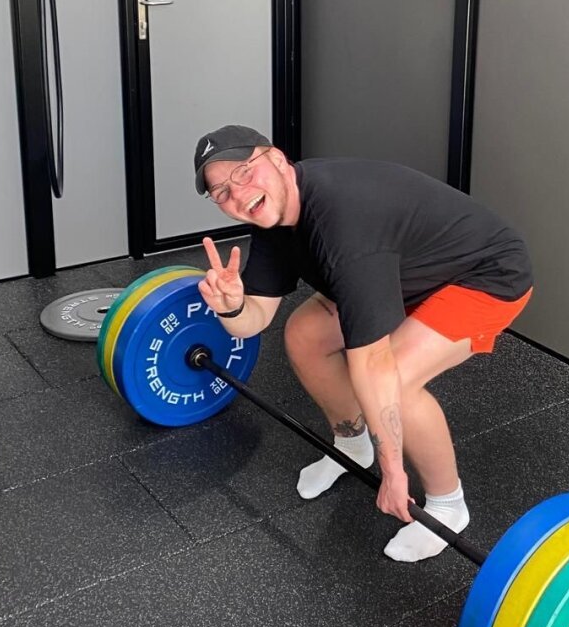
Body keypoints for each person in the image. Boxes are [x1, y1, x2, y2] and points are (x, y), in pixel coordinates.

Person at [193, 125, 533, 563]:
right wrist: (232, 307)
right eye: (221, 191)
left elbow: (373, 363)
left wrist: (395, 475)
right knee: (303, 334)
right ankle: (352, 444)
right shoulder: (272, 216)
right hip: (403, 272)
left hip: (482, 275)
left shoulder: (343, 217)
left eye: (242, 173)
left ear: (276, 159)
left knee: (397, 381)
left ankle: (449, 505)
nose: (237, 196)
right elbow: (252, 323)